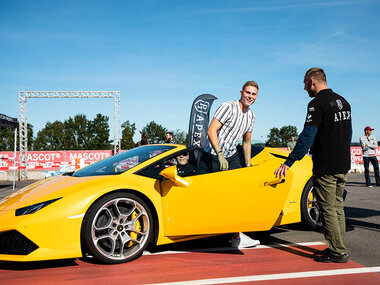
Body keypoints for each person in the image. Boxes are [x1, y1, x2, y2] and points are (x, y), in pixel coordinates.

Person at [274, 67, 351, 263]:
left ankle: (337, 251)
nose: (304, 88)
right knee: (337, 207)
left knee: (327, 209)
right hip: (342, 163)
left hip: (325, 165)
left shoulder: (316, 104)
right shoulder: (344, 102)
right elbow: (348, 134)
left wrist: (290, 161)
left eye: (305, 84)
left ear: (312, 82)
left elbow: (307, 135)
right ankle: (339, 247)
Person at [204, 80, 260, 249]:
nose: (250, 96)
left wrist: (248, 165)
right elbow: (211, 130)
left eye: (253, 94)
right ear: (241, 92)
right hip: (212, 155)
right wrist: (220, 154)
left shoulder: (251, 116)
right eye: (247, 92)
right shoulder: (228, 106)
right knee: (213, 196)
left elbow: (247, 142)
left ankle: (237, 236)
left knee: (237, 195)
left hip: (232, 155)